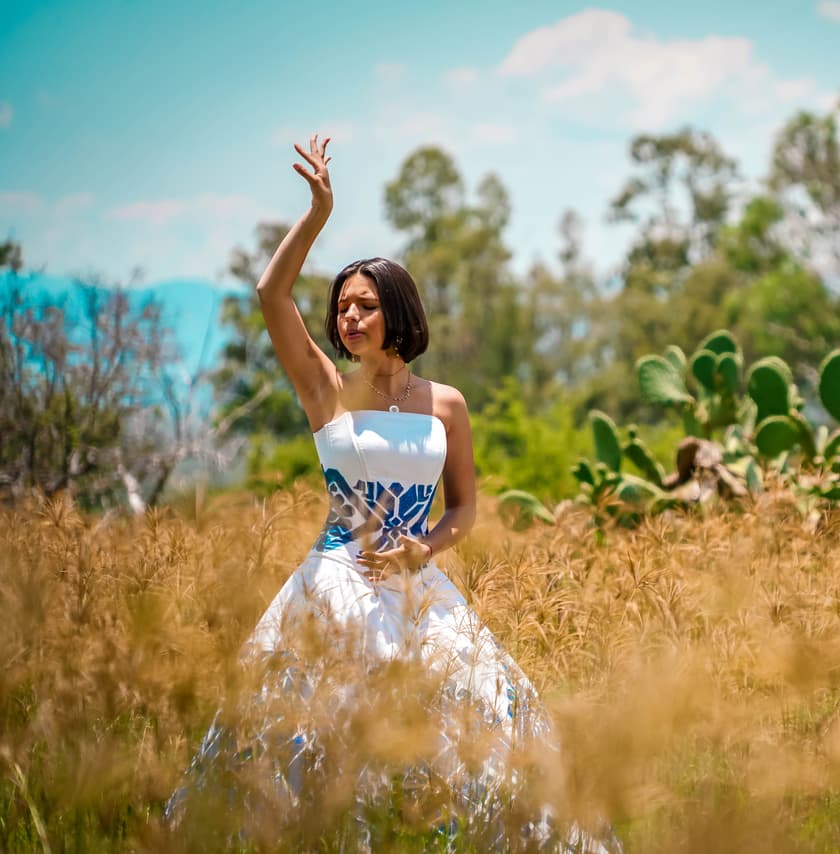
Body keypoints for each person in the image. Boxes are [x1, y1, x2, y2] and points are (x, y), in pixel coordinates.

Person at [169, 135, 608, 851]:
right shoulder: (325, 388)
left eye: (365, 305)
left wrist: (421, 551)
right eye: (342, 307)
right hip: (334, 581)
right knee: (326, 735)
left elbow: (464, 509)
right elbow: (270, 295)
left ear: (397, 312)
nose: (348, 318)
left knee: (477, 720)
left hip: (419, 590)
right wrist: (317, 215)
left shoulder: (447, 404)